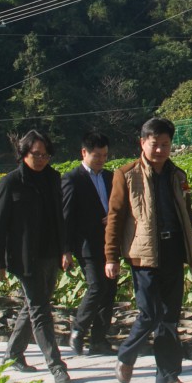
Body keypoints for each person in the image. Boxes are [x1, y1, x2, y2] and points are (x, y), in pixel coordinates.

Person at [104, 117, 192, 383]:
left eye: (165, 144)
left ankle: (167, 378)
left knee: (169, 317)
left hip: (173, 251)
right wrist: (111, 257)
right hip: (143, 255)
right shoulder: (126, 174)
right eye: (154, 144)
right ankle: (126, 354)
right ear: (142, 143)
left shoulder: (178, 175)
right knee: (150, 313)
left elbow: (187, 216)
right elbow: (115, 217)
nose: (160, 150)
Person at [0, 130, 71, 383]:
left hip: (50, 252)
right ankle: (56, 365)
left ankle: (13, 354)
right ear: (23, 153)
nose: (41, 159)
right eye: (36, 154)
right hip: (24, 257)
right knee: (40, 310)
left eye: (46, 155)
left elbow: (60, 217)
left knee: (34, 305)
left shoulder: (52, 178)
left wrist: (65, 249)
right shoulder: (11, 183)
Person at [61, 130, 117, 355]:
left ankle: (99, 340)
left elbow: (119, 205)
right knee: (97, 286)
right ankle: (78, 328)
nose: (101, 160)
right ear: (84, 153)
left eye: (105, 155)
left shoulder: (110, 177)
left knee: (109, 290)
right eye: (97, 155)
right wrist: (65, 249)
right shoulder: (73, 178)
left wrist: (113, 216)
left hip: (109, 242)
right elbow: (66, 216)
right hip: (86, 243)